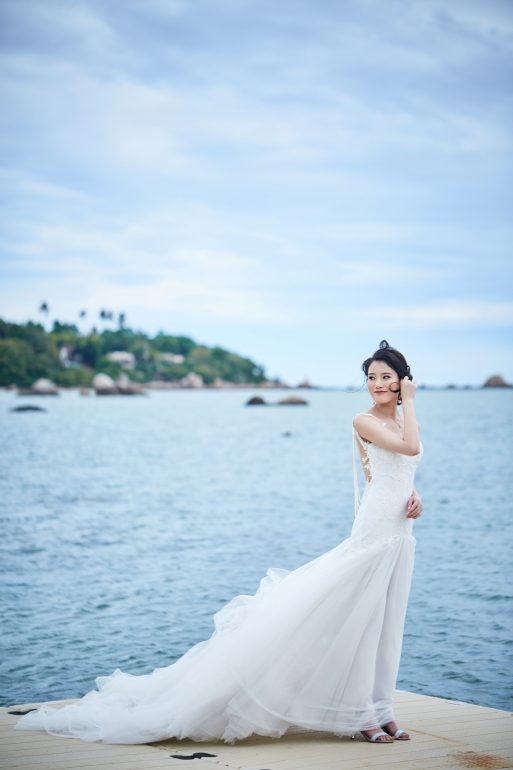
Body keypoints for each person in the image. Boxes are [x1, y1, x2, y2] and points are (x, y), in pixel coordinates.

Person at [14, 340, 423, 746]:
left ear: (400, 379)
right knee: (361, 624)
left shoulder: (402, 422)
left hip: (400, 531)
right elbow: (410, 447)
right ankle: (361, 715)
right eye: (372, 377)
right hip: (373, 531)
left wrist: (414, 496)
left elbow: (389, 470)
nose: (377, 384)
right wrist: (411, 403)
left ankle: (383, 709)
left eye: (385, 377)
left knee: (388, 624)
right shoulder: (363, 420)